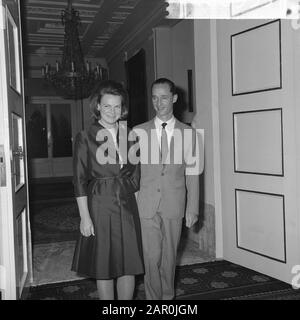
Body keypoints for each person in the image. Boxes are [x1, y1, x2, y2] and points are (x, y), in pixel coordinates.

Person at [71, 80, 144, 300]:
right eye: (107, 106)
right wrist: (85, 217)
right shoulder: (85, 136)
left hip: (127, 204)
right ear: (98, 107)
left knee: (129, 262)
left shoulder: (129, 134)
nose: (112, 111)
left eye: (117, 106)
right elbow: (79, 180)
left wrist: (137, 211)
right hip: (99, 204)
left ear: (123, 108)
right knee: (104, 263)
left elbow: (136, 176)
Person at [133, 78, 202, 300]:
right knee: (151, 257)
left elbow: (192, 173)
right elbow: (130, 171)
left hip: (174, 203)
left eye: (163, 97)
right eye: (154, 97)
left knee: (169, 257)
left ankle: (167, 299)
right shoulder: (138, 131)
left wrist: (192, 208)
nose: (158, 102)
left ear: (174, 98)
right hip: (146, 204)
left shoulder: (189, 133)